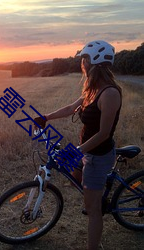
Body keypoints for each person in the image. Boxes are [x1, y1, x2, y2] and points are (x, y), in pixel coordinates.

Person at [34, 40, 122, 250]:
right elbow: (70, 108)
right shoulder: (93, 89)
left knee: (93, 210)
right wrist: (46, 117)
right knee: (72, 175)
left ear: (94, 63)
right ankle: (95, 194)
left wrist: (78, 150)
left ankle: (95, 211)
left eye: (84, 59)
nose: (82, 63)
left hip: (98, 156)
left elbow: (103, 134)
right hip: (86, 151)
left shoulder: (109, 93)